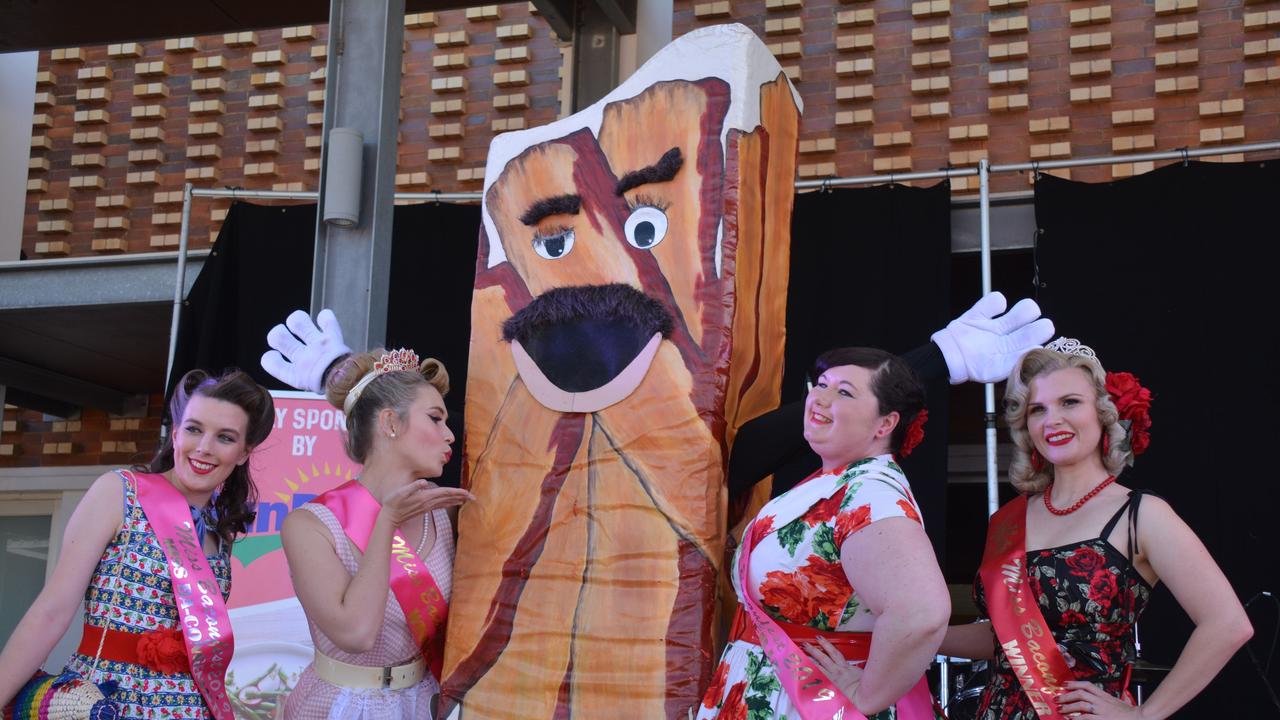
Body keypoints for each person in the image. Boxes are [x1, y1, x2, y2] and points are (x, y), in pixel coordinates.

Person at [939, 338, 1254, 720]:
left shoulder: (1141, 514)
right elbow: (1006, 639)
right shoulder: (1007, 520)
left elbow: (1228, 624)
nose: (1052, 420)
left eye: (1070, 402)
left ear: (1104, 412)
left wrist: (1145, 715)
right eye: (1037, 409)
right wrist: (913, 633)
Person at [0, 369, 275, 719]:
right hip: (105, 701)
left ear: (243, 453)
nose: (204, 447)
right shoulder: (120, 492)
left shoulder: (219, 536)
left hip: (187, 708)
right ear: (175, 433)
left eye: (225, 437)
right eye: (194, 429)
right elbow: (51, 612)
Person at [698, 347, 950, 719]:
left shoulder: (870, 493)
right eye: (821, 384)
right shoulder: (838, 482)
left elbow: (922, 612)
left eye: (844, 392)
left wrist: (867, 695)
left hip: (812, 704)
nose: (820, 398)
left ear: (885, 424)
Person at [280, 347, 472, 719]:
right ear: (390, 423)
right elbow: (357, 634)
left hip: (422, 702)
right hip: (339, 705)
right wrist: (385, 522)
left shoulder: (447, 512)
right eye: (435, 419)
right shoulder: (310, 525)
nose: (449, 435)